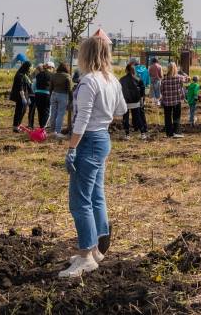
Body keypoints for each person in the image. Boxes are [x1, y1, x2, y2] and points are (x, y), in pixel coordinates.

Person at [60, 33, 127, 278]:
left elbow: (82, 118)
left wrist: (71, 147)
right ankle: (97, 249)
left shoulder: (88, 81)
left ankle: (86, 255)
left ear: (85, 55)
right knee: (96, 194)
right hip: (103, 139)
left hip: (88, 141)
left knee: (79, 201)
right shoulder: (112, 80)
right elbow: (121, 109)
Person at [119, 62, 147, 139]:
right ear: (133, 70)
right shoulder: (138, 79)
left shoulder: (122, 80)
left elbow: (119, 91)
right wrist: (141, 101)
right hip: (136, 101)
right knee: (138, 117)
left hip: (126, 102)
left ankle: (127, 134)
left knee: (126, 118)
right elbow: (142, 91)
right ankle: (143, 133)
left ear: (126, 70)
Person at [159, 61, 187, 138]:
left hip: (167, 101)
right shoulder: (179, 78)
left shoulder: (164, 79)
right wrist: (183, 73)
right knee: (176, 116)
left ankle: (169, 134)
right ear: (175, 68)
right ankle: (176, 132)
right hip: (177, 100)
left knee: (167, 117)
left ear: (168, 68)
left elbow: (161, 90)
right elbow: (187, 80)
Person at [48, 62, 73, 138]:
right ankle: (57, 132)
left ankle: (52, 130)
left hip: (54, 94)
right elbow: (70, 89)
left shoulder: (54, 75)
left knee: (53, 113)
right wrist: (71, 99)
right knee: (60, 114)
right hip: (63, 95)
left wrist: (50, 95)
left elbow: (50, 87)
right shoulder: (67, 76)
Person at [9, 61, 33, 132]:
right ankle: (15, 126)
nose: (30, 69)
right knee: (19, 111)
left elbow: (27, 86)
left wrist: (28, 96)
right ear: (26, 67)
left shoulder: (25, 75)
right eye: (29, 67)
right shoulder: (20, 75)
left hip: (24, 95)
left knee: (23, 110)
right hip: (20, 96)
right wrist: (23, 97)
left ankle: (18, 125)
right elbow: (20, 87)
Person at [30, 63, 52, 129]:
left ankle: (41, 125)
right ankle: (43, 126)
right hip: (46, 94)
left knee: (40, 110)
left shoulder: (38, 75)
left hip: (37, 94)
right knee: (46, 110)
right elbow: (51, 85)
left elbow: (35, 84)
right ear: (49, 68)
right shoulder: (51, 75)